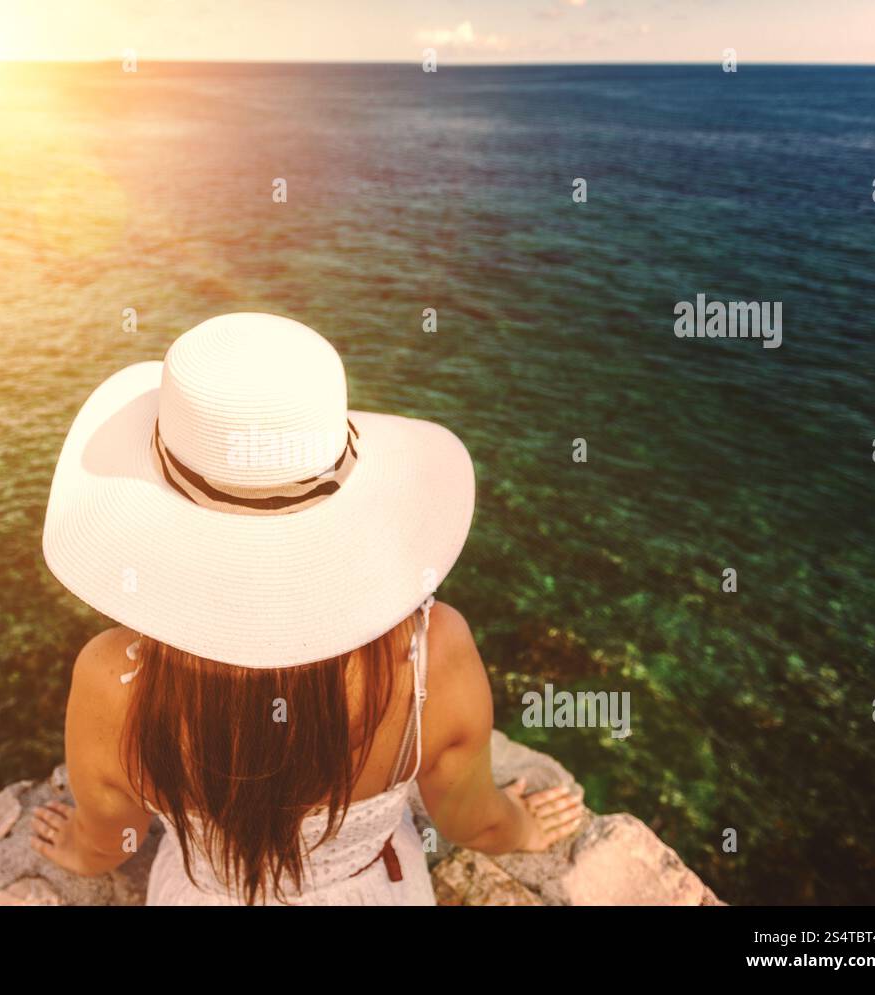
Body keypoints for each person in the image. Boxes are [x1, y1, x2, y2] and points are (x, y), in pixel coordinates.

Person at [31, 313, 584, 905]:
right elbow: (469, 821)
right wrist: (522, 826)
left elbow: (112, 839)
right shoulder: (434, 651)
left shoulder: (112, 679)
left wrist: (79, 851)